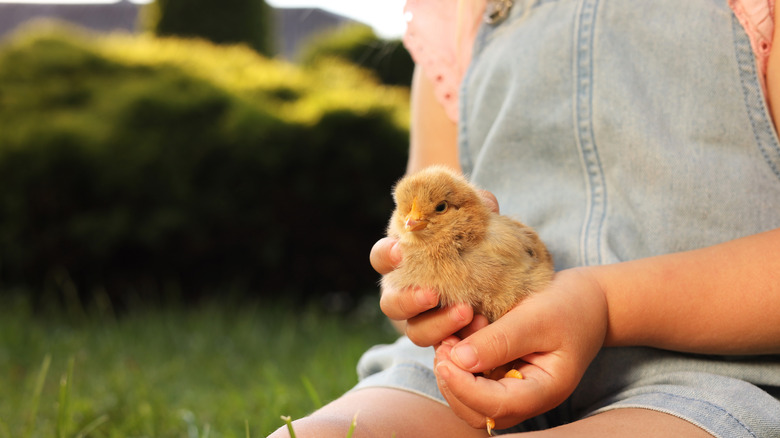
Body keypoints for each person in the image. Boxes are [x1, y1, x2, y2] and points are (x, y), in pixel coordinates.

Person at [269, 0, 780, 436]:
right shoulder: (459, 13)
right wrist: (416, 299)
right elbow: (417, 214)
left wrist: (603, 303)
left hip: (705, 379)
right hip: (472, 364)